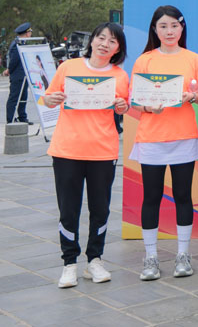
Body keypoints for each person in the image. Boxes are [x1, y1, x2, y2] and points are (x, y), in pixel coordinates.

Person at [42, 23, 130, 288]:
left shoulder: (119, 76)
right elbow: (48, 98)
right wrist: (51, 99)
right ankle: (69, 263)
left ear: (118, 49)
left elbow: (123, 107)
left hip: (102, 151)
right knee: (68, 210)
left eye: (112, 41)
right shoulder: (68, 68)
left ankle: (95, 260)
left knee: (100, 209)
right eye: (101, 38)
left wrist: (122, 106)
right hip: (67, 150)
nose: (105, 44)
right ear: (92, 41)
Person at [129, 6, 198, 281]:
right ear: (155, 29)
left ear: (182, 28)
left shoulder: (193, 59)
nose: (169, 31)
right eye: (163, 26)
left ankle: (183, 255)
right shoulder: (145, 61)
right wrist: (149, 107)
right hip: (151, 138)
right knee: (151, 197)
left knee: (183, 196)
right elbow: (134, 100)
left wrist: (193, 96)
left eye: (174, 25)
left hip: (184, 136)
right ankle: (150, 257)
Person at [4, 21, 32, 123]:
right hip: (17, 76)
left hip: (24, 75)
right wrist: (9, 70)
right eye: (30, 32)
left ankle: (22, 117)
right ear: (27, 33)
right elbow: (14, 61)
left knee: (23, 98)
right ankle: (10, 120)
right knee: (14, 98)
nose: (30, 34)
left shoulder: (22, 43)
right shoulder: (16, 44)